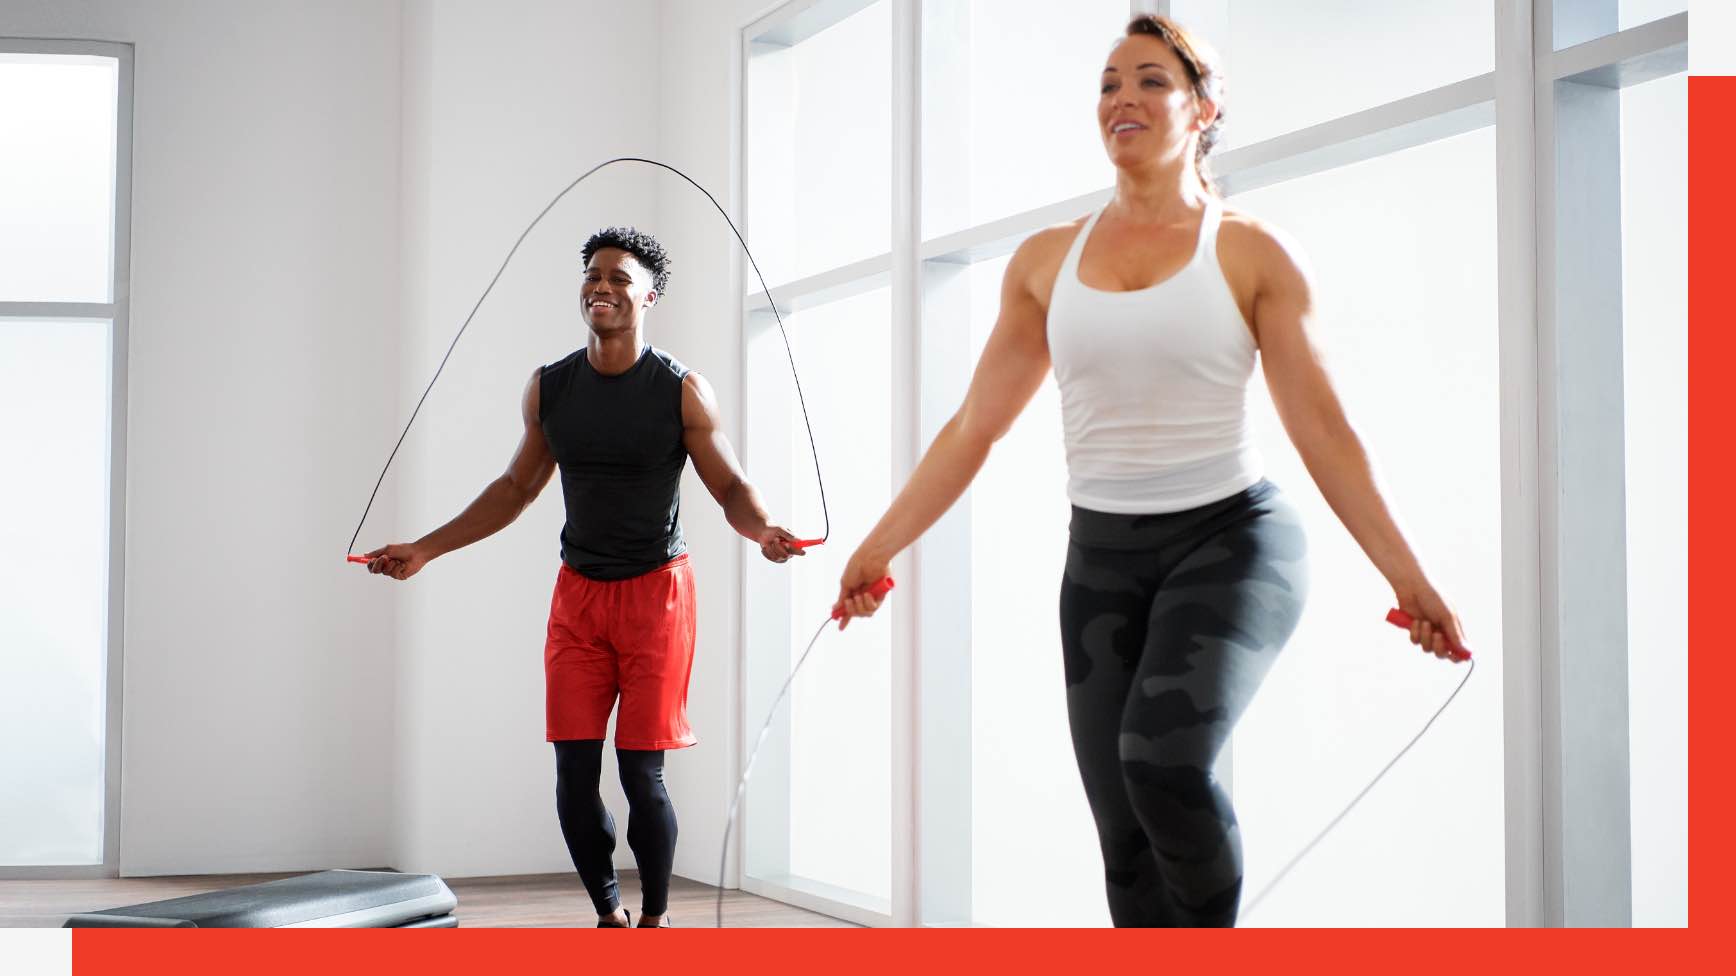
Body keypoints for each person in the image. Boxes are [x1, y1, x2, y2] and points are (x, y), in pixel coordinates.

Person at [831, 15, 1468, 927]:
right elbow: (975, 426)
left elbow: (1325, 432)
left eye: (1151, 80)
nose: (1122, 97)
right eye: (1107, 83)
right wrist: (878, 546)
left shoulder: (1252, 252)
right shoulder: (1046, 263)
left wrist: (1411, 577)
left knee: (1163, 765)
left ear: (1204, 109)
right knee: (1124, 835)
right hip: (1101, 562)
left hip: (1233, 542)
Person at [364, 226, 804, 928]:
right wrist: (425, 548)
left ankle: (656, 919)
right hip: (578, 597)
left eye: (620, 278)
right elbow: (515, 487)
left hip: (659, 596)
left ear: (649, 295)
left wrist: (765, 530)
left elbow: (730, 487)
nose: (602, 286)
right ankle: (608, 913)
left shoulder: (682, 391)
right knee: (573, 775)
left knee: (641, 772)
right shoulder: (550, 388)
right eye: (593, 276)